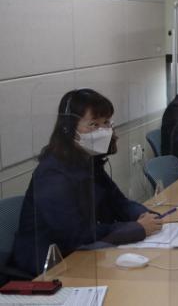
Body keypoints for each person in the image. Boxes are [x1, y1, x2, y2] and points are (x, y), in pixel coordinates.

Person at [12, 89, 162, 276]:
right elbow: (75, 233)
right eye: (93, 124)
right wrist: (136, 229)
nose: (103, 130)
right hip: (50, 265)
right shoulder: (52, 173)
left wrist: (144, 214)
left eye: (106, 123)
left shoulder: (88, 161)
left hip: (84, 252)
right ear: (69, 129)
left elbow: (118, 202)